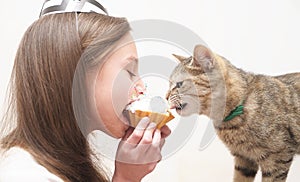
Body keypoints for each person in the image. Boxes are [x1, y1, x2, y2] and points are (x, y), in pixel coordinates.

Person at [0, 1, 171, 181]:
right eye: (129, 71)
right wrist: (126, 178)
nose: (142, 88)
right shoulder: (24, 175)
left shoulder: (70, 164)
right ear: (78, 74)